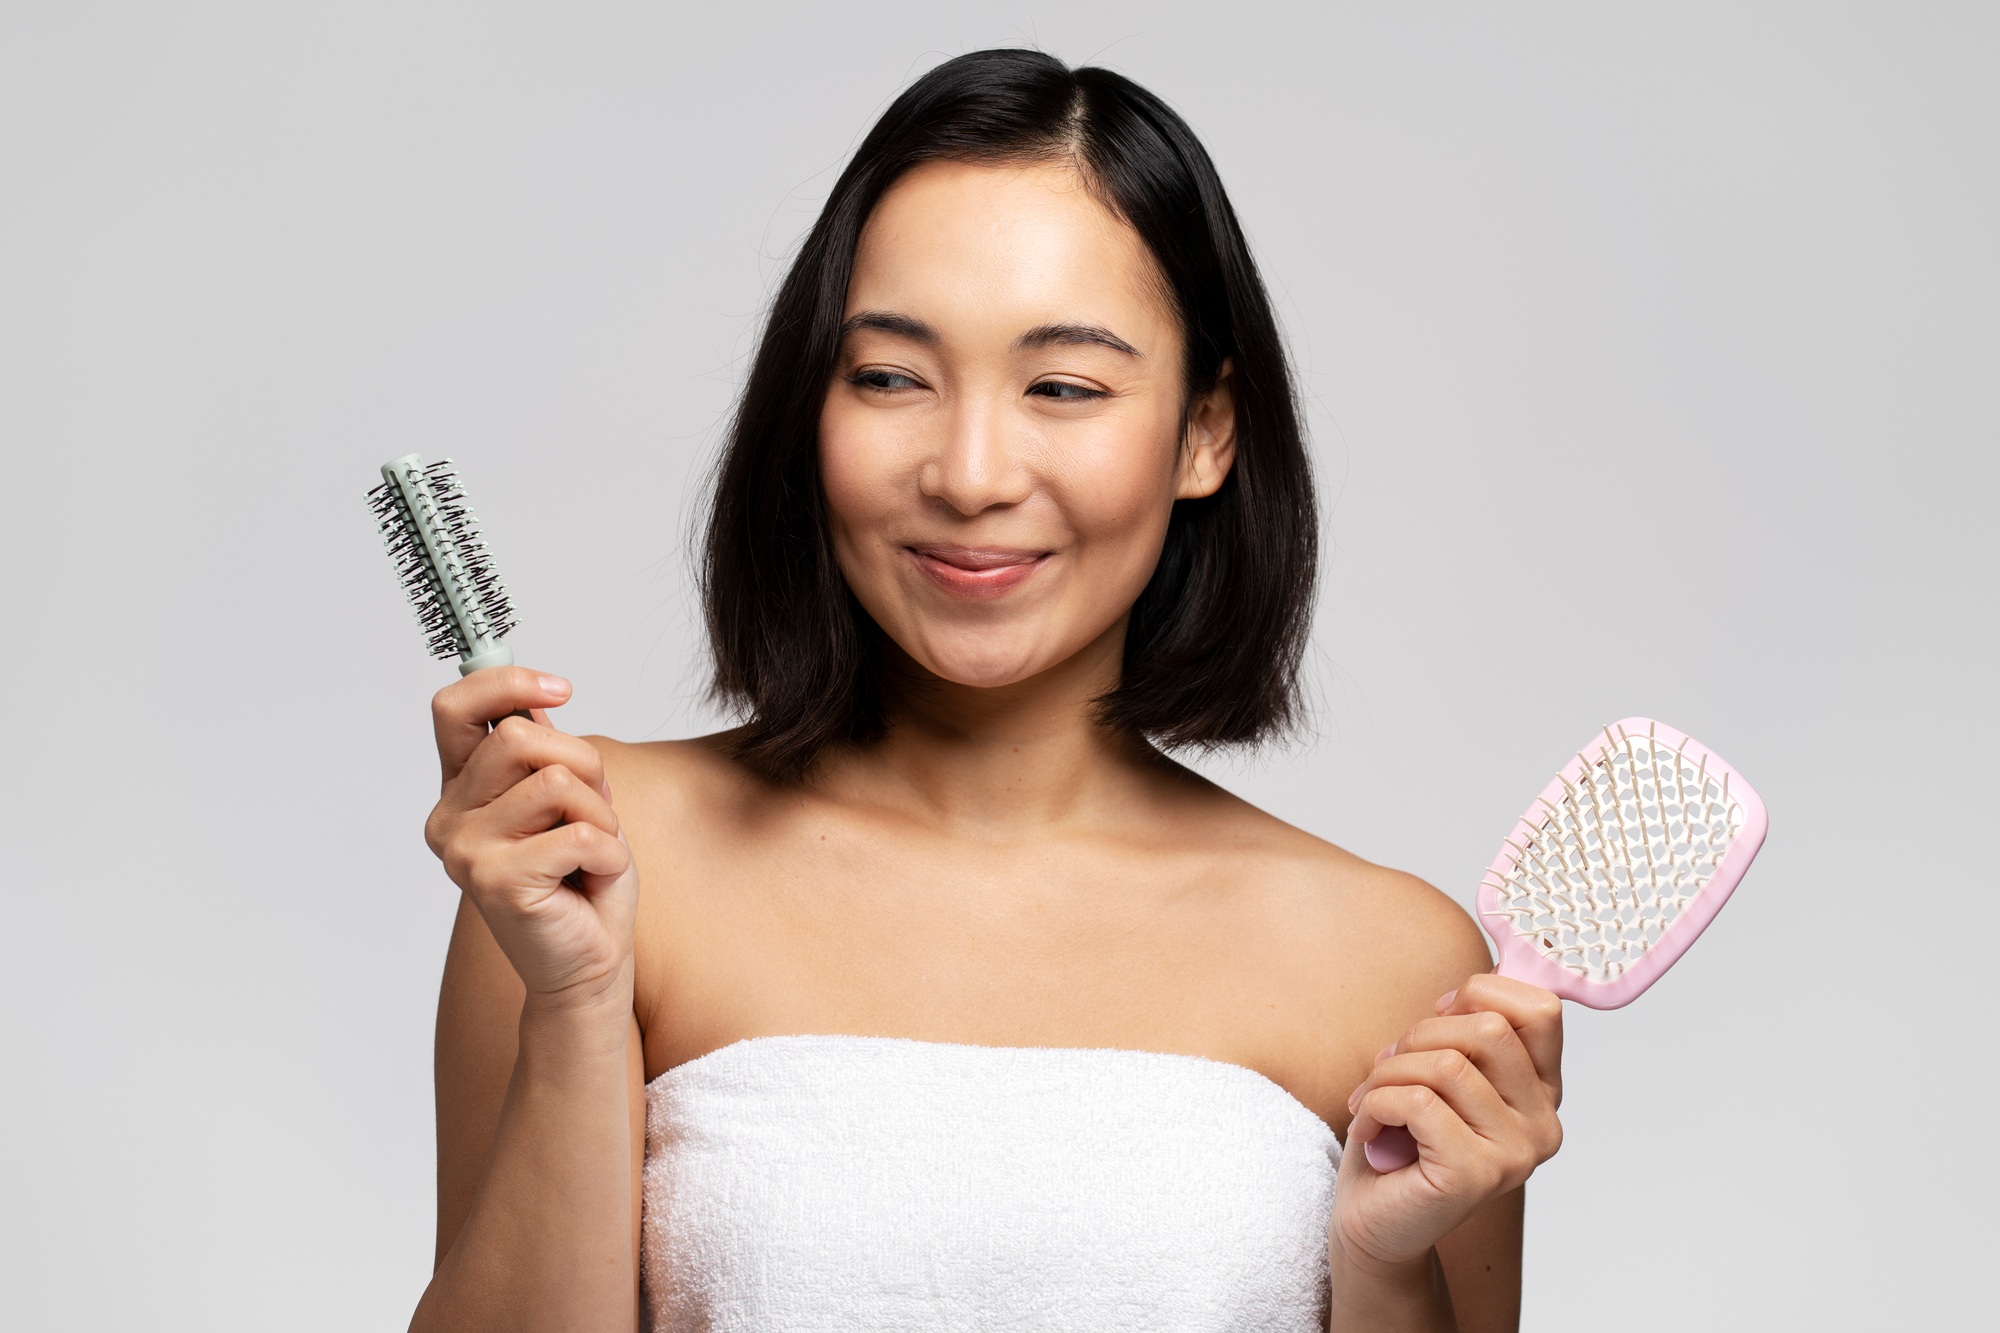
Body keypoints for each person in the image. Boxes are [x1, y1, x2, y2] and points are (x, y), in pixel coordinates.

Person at [407, 48, 1563, 1333]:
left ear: (1203, 433)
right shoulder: (594, 858)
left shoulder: (1387, 962)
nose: (967, 472)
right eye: (891, 376)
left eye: (1062, 387)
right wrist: (575, 1005)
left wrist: (1388, 1264)